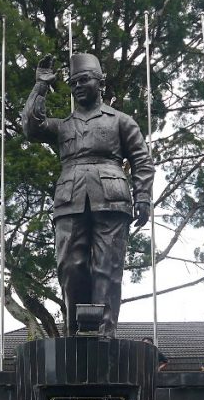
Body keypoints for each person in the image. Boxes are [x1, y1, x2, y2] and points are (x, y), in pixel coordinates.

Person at [22, 53, 155, 337]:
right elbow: (31, 127)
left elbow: (142, 160)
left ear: (100, 82)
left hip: (112, 198)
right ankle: (75, 333)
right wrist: (41, 87)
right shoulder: (63, 125)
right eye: (73, 82)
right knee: (70, 267)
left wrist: (143, 196)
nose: (78, 85)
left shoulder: (121, 121)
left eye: (84, 79)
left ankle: (104, 335)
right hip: (70, 200)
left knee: (107, 268)